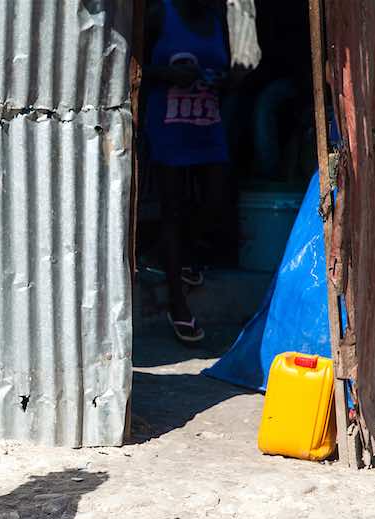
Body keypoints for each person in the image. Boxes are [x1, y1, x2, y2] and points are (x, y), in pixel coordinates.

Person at [143, 0, 232, 343]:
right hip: (168, 126)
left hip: (207, 126)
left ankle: (182, 258)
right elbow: (134, 68)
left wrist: (220, 81)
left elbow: (227, 68)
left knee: (216, 200)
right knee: (173, 211)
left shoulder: (215, 16)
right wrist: (167, 74)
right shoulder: (159, 14)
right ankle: (177, 304)